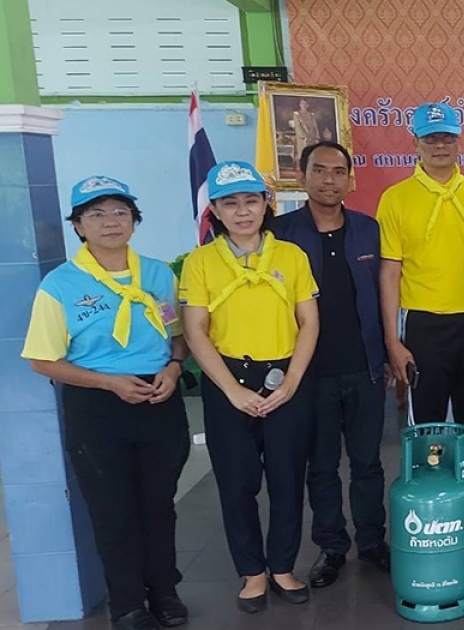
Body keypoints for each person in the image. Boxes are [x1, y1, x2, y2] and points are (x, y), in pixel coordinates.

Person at [21, 177, 190, 630]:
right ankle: (128, 605)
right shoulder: (60, 285)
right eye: (96, 214)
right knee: (113, 512)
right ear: (79, 226)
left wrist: (174, 369)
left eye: (120, 212)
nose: (110, 222)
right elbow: (41, 360)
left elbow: (177, 335)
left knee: (159, 505)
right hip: (97, 405)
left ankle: (165, 592)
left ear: (134, 221)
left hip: (159, 398)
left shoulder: (158, 274)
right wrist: (108, 382)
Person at [180, 161, 319, 612]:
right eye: (230, 203)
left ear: (265, 205)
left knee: (286, 480)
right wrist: (231, 390)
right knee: (237, 484)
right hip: (228, 382)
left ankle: (282, 567)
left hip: (285, 380)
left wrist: (292, 380)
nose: (242, 212)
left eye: (251, 201)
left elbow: (309, 321)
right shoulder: (200, 262)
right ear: (216, 211)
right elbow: (196, 330)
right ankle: (252, 573)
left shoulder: (291, 256)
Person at [273, 142, 391, 588]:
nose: (329, 180)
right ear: (302, 176)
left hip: (364, 366)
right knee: (321, 466)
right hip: (307, 373)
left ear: (349, 179)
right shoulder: (280, 233)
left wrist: (389, 352)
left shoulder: (367, 230)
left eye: (339, 172)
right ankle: (331, 546)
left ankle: (372, 541)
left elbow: (383, 295)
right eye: (320, 170)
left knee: (367, 463)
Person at [377, 101, 464, 534]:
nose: (440, 145)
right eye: (431, 138)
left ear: (459, 141)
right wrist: (393, 340)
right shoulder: (396, 198)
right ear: (415, 142)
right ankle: (432, 510)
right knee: (426, 423)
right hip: (424, 325)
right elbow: (389, 273)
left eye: (447, 136)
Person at [292, 99, 321, 164]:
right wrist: (304, 136)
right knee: (303, 154)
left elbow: (315, 126)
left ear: (308, 105)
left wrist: (316, 137)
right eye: (302, 103)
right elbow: (298, 126)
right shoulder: (297, 114)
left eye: (305, 104)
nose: (304, 105)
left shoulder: (311, 115)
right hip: (302, 138)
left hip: (312, 137)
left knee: (312, 154)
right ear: (300, 105)